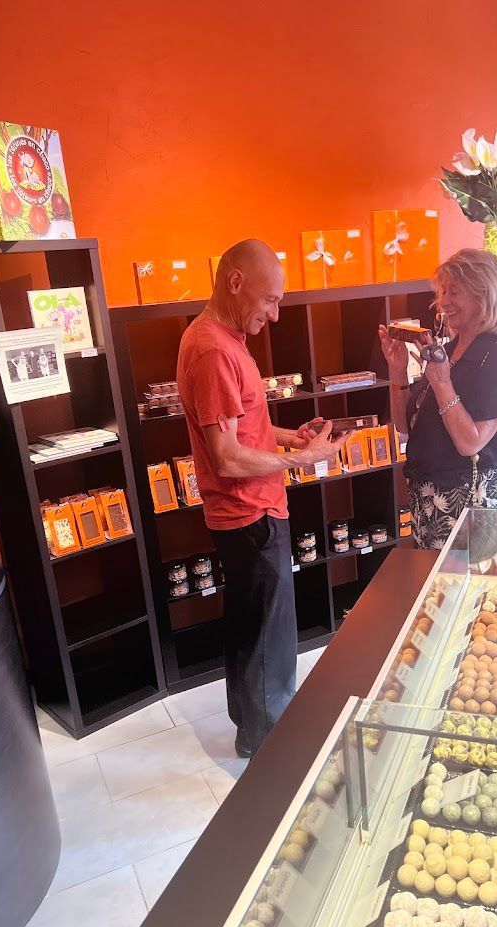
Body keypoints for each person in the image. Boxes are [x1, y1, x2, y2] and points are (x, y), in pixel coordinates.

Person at [177, 239, 349, 758]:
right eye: (269, 300)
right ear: (235, 282)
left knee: (252, 626)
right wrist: (300, 462)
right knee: (269, 637)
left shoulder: (221, 338)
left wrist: (290, 438)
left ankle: (251, 726)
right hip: (248, 513)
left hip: (250, 511)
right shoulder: (212, 349)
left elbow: (243, 425)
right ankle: (269, 740)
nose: (274, 315)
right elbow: (227, 456)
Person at [380, 248, 497, 550]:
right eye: (443, 292)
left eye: (454, 292)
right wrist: (397, 372)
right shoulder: (452, 348)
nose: (444, 302)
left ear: (484, 293)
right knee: (440, 595)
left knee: (470, 595)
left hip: (472, 503)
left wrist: (442, 382)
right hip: (431, 501)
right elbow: (404, 427)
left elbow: (470, 442)